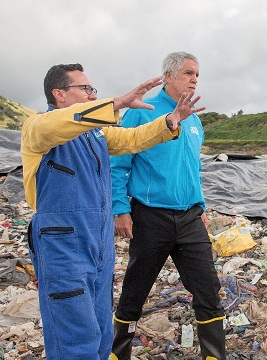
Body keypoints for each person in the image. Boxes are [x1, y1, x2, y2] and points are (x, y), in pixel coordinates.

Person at [21, 63, 204, 360]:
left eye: (94, 89)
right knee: (74, 332)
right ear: (60, 94)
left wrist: (170, 120)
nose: (93, 95)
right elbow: (57, 125)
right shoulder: (38, 128)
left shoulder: (95, 134)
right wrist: (117, 102)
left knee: (100, 327)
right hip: (62, 244)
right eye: (86, 89)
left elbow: (133, 140)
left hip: (98, 241)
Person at [110, 52, 226, 360]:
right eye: (188, 73)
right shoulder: (143, 112)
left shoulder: (194, 120)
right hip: (150, 216)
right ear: (168, 77)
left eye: (197, 74)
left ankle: (214, 355)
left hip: (189, 218)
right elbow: (118, 163)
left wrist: (200, 207)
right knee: (135, 289)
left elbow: (192, 169)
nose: (194, 79)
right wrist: (120, 209)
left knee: (208, 288)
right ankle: (117, 353)